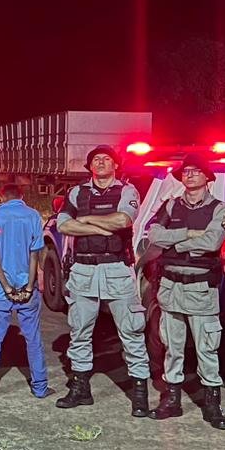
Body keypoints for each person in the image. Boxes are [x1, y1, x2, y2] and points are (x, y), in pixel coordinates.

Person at [54, 145, 149, 413]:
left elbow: (123, 220)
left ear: (116, 165)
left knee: (131, 331)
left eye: (107, 159)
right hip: (84, 271)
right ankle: (81, 389)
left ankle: (140, 394)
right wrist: (99, 227)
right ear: (90, 166)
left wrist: (85, 220)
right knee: (79, 332)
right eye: (96, 159)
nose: (101, 162)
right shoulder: (77, 192)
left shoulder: (127, 191)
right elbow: (63, 224)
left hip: (116, 269)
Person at [146, 153, 225, 427]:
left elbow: (212, 242)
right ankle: (171, 400)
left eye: (196, 171)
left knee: (207, 349)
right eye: (186, 171)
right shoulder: (171, 205)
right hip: (171, 287)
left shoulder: (220, 208)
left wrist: (175, 243)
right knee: (172, 348)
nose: (190, 175)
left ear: (207, 177)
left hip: (201, 290)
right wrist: (189, 235)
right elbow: (153, 235)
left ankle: (212, 405)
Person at [0, 183, 53, 400]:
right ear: (21, 196)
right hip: (27, 289)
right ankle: (40, 388)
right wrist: (29, 286)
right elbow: (34, 255)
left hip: (0, 292)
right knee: (33, 339)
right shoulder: (33, 216)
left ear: (1, 196)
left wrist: (6, 287)